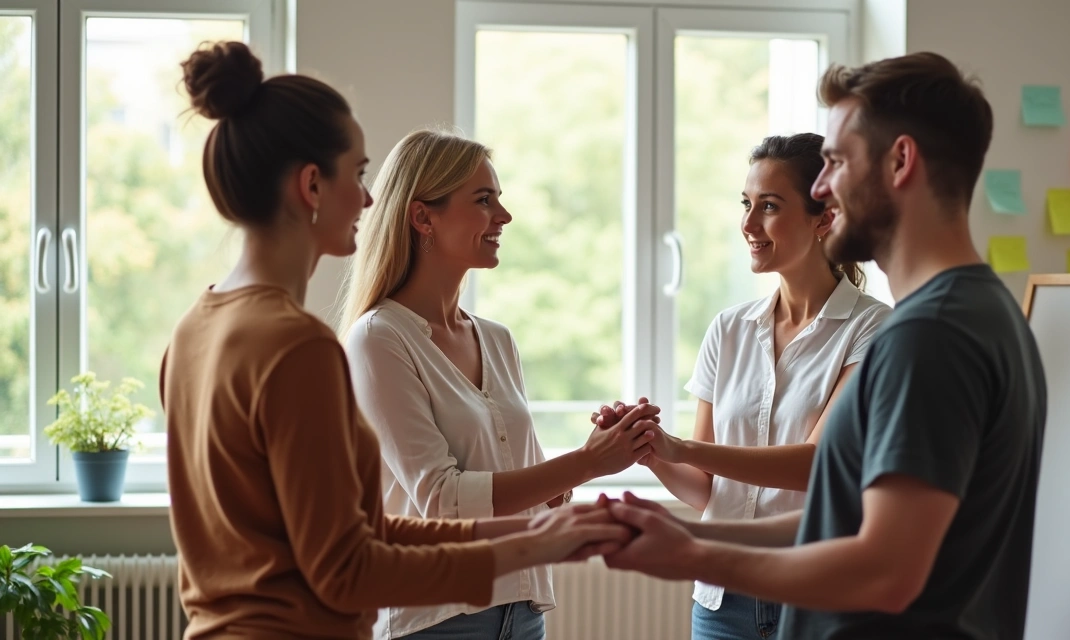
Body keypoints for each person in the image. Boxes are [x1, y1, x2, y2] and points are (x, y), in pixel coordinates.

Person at [160, 42, 631, 640]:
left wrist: (540, 535)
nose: (366, 198)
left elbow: (360, 532)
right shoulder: (299, 345)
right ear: (311, 185)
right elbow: (348, 572)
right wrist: (526, 546)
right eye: (357, 174)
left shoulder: (195, 327)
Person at [599, 51, 1047, 640]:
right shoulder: (980, 311)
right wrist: (690, 533)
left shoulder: (927, 336)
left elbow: (885, 571)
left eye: (835, 162)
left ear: (900, 161)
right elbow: (841, 523)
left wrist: (690, 556)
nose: (821, 188)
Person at [340, 128, 658, 639]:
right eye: (483, 200)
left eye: (499, 200)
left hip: (522, 611)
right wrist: (588, 461)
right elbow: (442, 501)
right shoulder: (378, 339)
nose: (503, 217)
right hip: (434, 619)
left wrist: (602, 446)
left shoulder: (497, 339)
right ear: (423, 216)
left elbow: (529, 492)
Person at [597, 133, 890, 640]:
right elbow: (708, 490)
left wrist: (682, 446)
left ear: (825, 219)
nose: (748, 225)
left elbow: (817, 465)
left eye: (770, 207)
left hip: (816, 595)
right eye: (746, 205)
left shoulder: (874, 329)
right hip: (721, 600)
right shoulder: (727, 329)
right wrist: (648, 448)